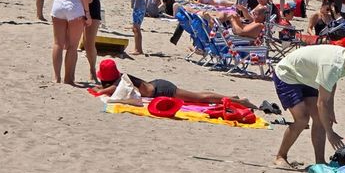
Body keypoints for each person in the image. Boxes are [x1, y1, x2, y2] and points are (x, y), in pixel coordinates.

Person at [273, 42, 345, 169]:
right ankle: (281, 156)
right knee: (302, 119)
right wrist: (330, 134)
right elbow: (321, 103)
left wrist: (331, 109)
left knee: (320, 118)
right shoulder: (333, 65)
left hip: (308, 77)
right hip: (288, 74)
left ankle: (320, 161)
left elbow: (332, 83)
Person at [94, 58, 256, 108]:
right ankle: (231, 97)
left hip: (162, 89)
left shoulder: (119, 82)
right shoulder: (121, 78)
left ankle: (239, 101)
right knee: (198, 96)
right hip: (157, 85)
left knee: (199, 98)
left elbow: (102, 92)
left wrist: (96, 89)